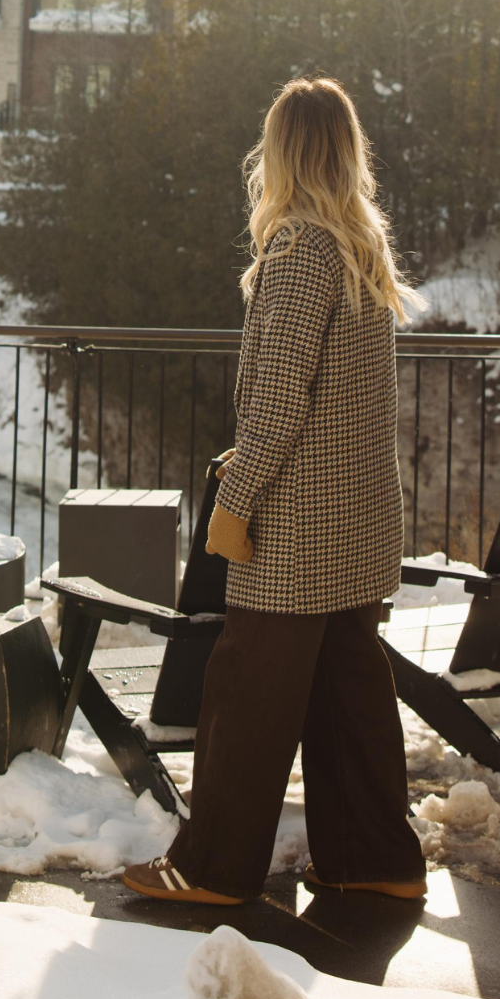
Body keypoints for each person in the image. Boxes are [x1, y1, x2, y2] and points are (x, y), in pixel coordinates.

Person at [122, 75, 426, 906]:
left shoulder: (298, 251)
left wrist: (236, 499)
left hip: (295, 526)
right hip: (359, 519)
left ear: (281, 152)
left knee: (245, 697)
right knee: (349, 697)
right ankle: (374, 858)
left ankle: (211, 869)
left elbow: (279, 400)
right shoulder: (362, 249)